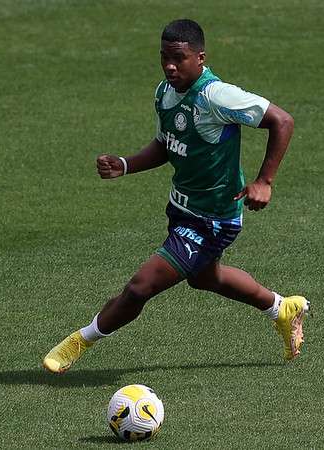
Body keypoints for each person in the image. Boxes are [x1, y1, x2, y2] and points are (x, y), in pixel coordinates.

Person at [43, 19, 308, 374]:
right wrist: (125, 164)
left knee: (140, 287)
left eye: (178, 58)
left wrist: (265, 181)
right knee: (205, 278)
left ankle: (81, 340)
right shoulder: (165, 93)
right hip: (182, 209)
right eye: (164, 58)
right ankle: (282, 308)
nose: (170, 66)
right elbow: (166, 144)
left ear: (200, 58)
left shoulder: (217, 95)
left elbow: (282, 121)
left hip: (213, 219)